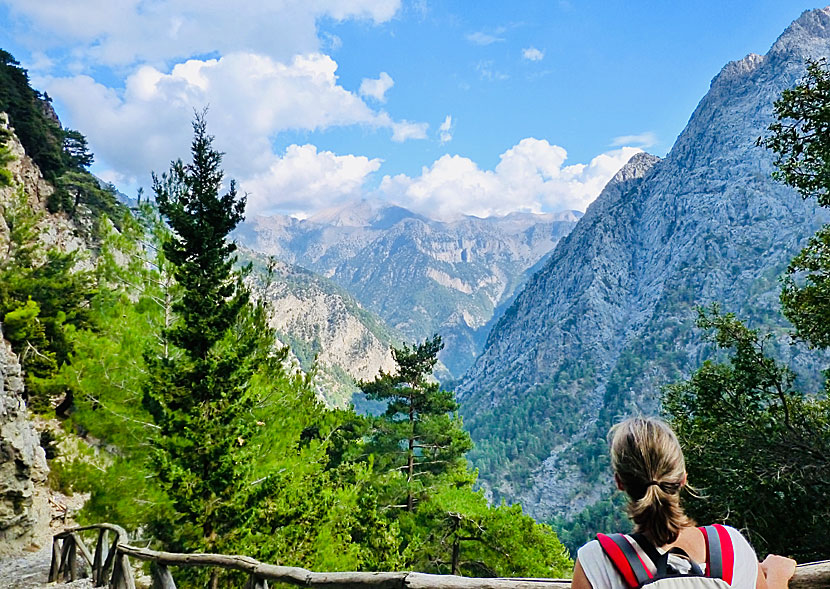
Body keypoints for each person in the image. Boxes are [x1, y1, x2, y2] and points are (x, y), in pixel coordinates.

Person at [571, 417, 796, 589]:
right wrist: (777, 575)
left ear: (619, 482)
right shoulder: (733, 547)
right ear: (683, 479)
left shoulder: (596, 561)